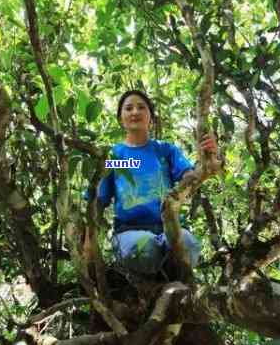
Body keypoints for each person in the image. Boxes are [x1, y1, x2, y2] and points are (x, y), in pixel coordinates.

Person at [89, 90, 217, 277]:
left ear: (151, 117)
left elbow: (189, 177)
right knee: (145, 249)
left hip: (169, 228)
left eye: (142, 107)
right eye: (128, 108)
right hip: (129, 231)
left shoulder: (165, 151)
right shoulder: (115, 157)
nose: (135, 112)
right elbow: (98, 201)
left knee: (188, 246)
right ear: (121, 118)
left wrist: (208, 157)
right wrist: (88, 241)